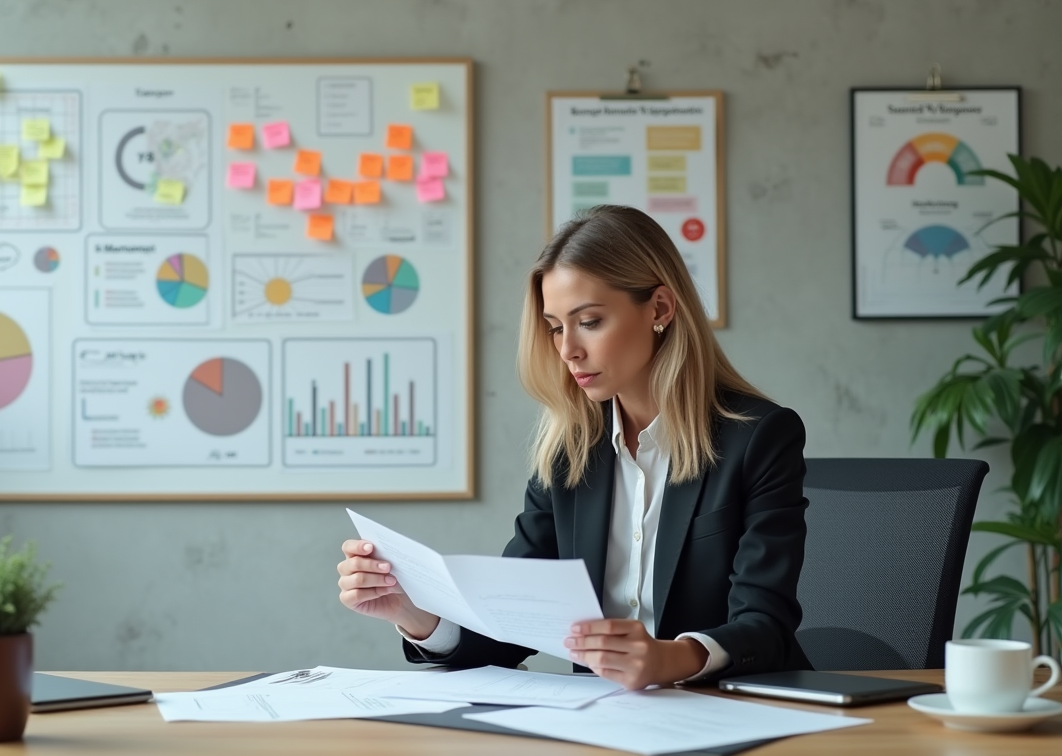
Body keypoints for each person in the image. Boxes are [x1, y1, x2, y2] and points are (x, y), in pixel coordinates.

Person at [337, 204, 811, 690]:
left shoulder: (759, 437)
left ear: (660, 310)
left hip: (735, 713)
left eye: (589, 321)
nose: (568, 351)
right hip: (606, 721)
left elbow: (765, 628)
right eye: (556, 327)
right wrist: (415, 615)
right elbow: (510, 626)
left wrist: (672, 658)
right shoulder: (568, 454)